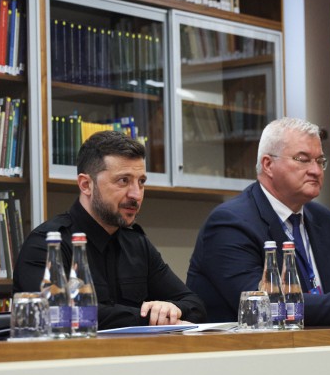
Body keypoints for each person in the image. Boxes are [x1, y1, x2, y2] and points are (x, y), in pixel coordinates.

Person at [187, 117, 330, 326]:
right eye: (303, 159)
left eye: (320, 161)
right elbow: (265, 305)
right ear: (268, 165)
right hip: (250, 345)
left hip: (329, 342)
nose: (316, 171)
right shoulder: (230, 224)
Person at [13, 130, 206, 328]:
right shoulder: (48, 244)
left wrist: (171, 309)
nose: (136, 195)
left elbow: (195, 305)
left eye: (141, 182)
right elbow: (57, 314)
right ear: (86, 185)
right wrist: (149, 318)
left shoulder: (137, 244)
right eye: (123, 181)